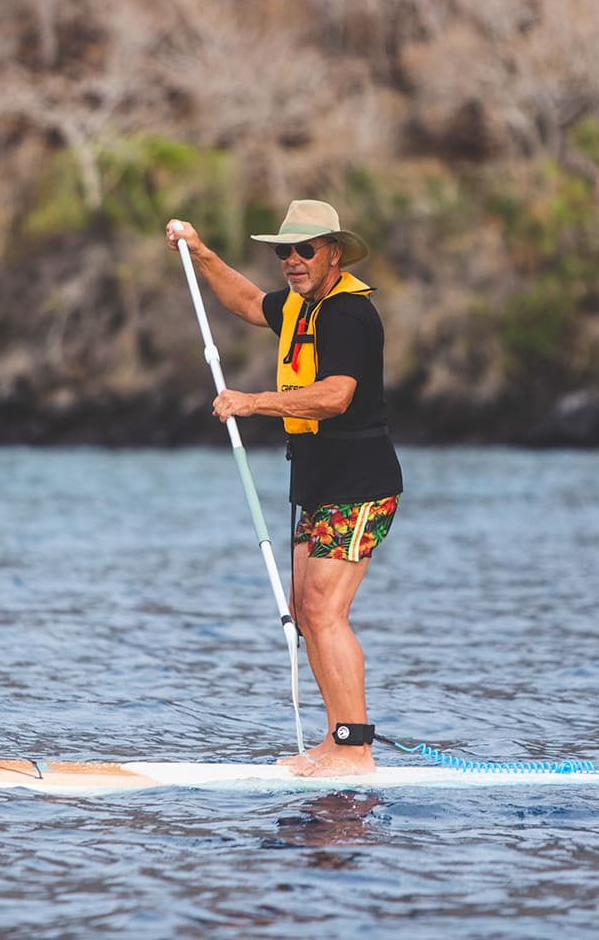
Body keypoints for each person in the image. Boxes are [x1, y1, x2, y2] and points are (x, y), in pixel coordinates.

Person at [165, 200, 402, 777]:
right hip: (318, 479)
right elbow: (248, 301)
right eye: (283, 252)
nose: (293, 261)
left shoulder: (348, 315)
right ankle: (333, 740)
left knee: (324, 611)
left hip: (359, 481)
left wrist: (253, 403)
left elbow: (335, 396)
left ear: (333, 254)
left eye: (306, 250)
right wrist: (201, 254)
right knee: (304, 609)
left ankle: (355, 749)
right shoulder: (301, 304)